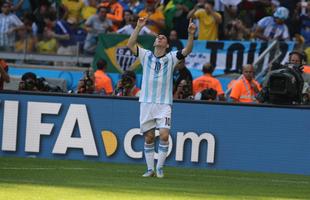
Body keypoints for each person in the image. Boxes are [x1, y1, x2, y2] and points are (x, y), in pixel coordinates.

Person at [127, 17, 196, 178]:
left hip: (164, 104)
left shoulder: (171, 58)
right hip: (146, 103)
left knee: (164, 135)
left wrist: (191, 34)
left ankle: (160, 168)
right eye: (158, 37)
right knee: (149, 137)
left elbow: (187, 51)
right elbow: (130, 44)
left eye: (163, 38)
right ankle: (150, 169)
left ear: (166, 45)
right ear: (154, 43)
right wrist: (138, 27)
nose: (159, 38)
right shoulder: (145, 56)